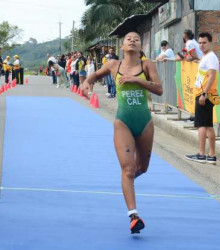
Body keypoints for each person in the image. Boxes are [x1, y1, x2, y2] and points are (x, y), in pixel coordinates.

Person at [81, 31, 163, 234]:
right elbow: (95, 75)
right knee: (128, 169)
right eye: (129, 39)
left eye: (136, 39)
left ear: (140, 45)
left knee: (142, 168)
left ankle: (126, 184)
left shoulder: (147, 65)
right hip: (123, 122)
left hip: (144, 123)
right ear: (122, 46)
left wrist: (138, 81)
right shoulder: (113, 65)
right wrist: (86, 82)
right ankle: (134, 216)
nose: (133, 40)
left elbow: (159, 89)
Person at [185, 32, 219, 165]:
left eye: (204, 42)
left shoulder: (211, 57)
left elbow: (211, 76)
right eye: (200, 42)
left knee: (202, 125)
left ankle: (201, 153)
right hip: (205, 93)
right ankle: (211, 155)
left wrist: (204, 94)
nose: (201, 45)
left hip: (205, 94)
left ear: (210, 43)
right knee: (208, 125)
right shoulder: (207, 57)